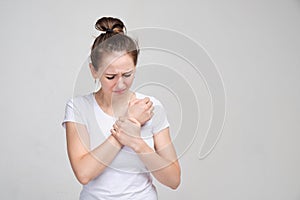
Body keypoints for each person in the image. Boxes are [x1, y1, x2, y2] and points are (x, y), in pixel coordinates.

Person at [62, 17, 181, 200]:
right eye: (110, 76)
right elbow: (84, 174)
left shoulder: (149, 107)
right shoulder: (78, 108)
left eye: (127, 74)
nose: (120, 84)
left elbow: (173, 179)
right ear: (94, 70)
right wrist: (127, 126)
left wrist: (136, 142)